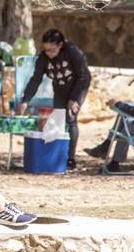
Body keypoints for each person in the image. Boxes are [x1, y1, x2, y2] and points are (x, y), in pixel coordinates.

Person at [15, 29, 90, 169]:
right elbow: (35, 80)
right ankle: (57, 155)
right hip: (60, 88)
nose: (48, 53)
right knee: (59, 119)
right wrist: (26, 100)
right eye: (46, 50)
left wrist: (74, 99)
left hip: (78, 86)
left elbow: (83, 76)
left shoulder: (73, 53)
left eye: (52, 50)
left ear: (60, 45)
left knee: (71, 118)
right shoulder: (43, 58)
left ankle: (71, 158)